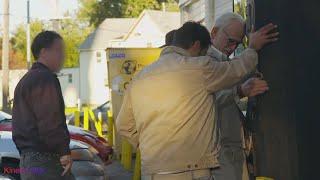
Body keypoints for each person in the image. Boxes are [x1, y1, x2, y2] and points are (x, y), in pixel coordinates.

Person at [116, 21, 273, 180]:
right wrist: (252, 47)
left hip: (152, 172)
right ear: (196, 46)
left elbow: (123, 125)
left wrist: (152, 149)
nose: (205, 56)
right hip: (191, 170)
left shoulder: (139, 79)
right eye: (205, 52)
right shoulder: (199, 68)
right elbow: (235, 69)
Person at [207, 13, 279, 180]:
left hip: (230, 152)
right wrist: (239, 91)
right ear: (214, 32)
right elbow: (208, 99)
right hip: (220, 154)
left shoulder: (224, 62)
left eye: (237, 44)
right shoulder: (206, 62)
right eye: (230, 41)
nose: (232, 48)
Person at [12, 31, 74, 180]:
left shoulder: (25, 80)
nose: (63, 56)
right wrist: (64, 152)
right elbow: (50, 121)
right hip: (45, 162)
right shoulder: (45, 79)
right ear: (44, 52)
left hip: (29, 164)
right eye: (59, 50)